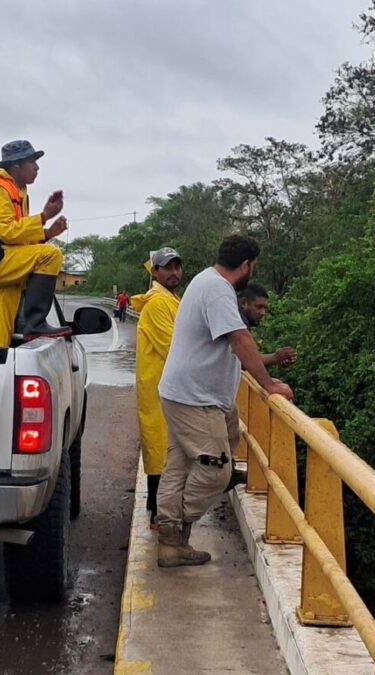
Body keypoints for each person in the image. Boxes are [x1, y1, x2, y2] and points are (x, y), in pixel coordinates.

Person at [155, 235, 294, 568]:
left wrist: (268, 369)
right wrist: (269, 386)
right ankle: (172, 531)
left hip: (185, 393)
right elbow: (239, 338)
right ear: (246, 265)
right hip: (194, 398)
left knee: (180, 466)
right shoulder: (218, 289)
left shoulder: (206, 280)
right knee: (216, 469)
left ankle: (171, 544)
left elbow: (232, 346)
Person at [0, 140, 70, 348]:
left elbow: (19, 241)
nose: (37, 167)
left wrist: (47, 233)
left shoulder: (18, 191)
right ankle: (35, 323)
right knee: (50, 255)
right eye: (32, 162)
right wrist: (44, 216)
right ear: (16, 165)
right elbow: (7, 231)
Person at [131, 247, 183, 529]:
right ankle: (159, 516)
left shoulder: (170, 299)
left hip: (165, 385)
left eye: (177, 267)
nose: (174, 272)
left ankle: (157, 510)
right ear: (155, 272)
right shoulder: (158, 304)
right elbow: (174, 346)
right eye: (168, 267)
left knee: (162, 447)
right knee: (162, 449)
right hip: (161, 386)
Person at [238, 283, 296, 367]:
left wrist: (276, 359)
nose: (263, 313)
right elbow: (245, 361)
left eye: (265, 308)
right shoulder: (237, 322)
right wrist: (275, 357)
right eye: (259, 307)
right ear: (244, 303)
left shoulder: (242, 321)